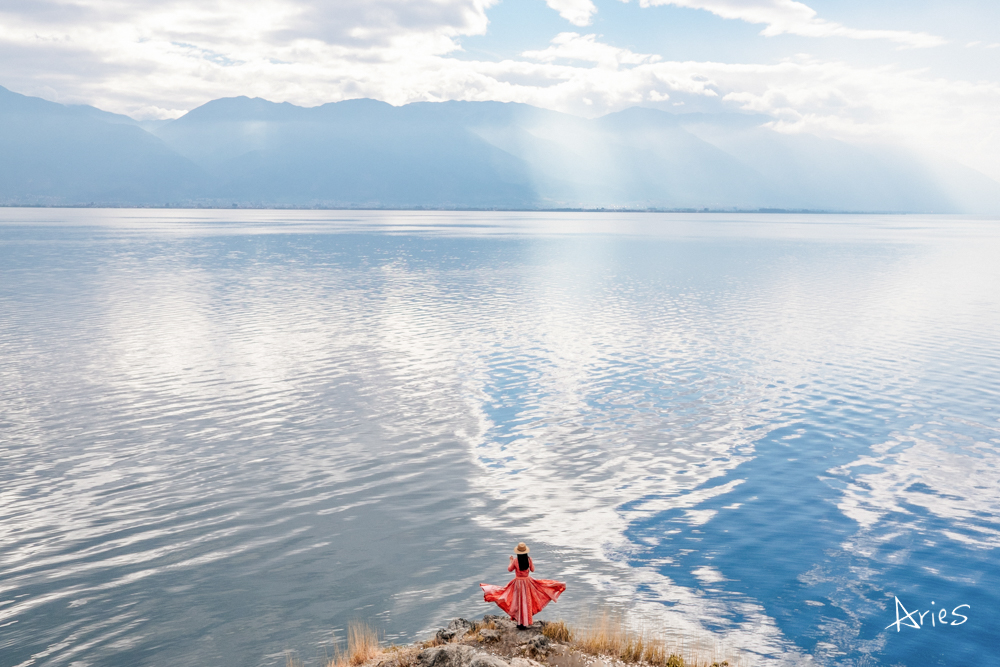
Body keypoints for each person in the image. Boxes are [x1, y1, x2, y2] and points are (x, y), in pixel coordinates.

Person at [480, 542, 566, 629]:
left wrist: (510, 561)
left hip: (517, 583)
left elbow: (509, 569)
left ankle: (519, 623)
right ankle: (525, 622)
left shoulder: (515, 561)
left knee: (518, 602)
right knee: (526, 602)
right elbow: (532, 569)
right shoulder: (529, 560)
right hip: (527, 583)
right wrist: (531, 561)